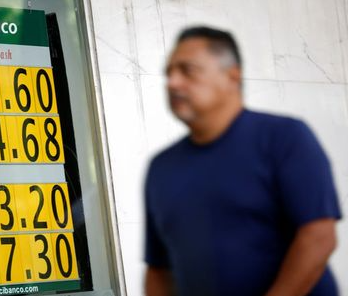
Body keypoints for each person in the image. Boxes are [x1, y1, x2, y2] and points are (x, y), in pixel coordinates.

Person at [144, 26, 342, 296]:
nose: (173, 83)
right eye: (169, 73)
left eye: (187, 70)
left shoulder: (284, 137)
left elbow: (319, 237)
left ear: (232, 76)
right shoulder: (161, 167)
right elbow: (158, 269)